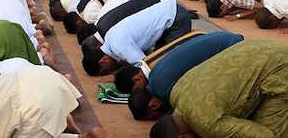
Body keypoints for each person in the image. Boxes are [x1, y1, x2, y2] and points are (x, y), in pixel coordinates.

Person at [149, 40, 288, 138]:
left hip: (280, 67)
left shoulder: (207, 126)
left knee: (274, 133)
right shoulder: (176, 94)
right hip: (258, 46)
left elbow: (265, 135)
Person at [122, 32, 244, 120]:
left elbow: (194, 107)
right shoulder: (153, 75)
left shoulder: (165, 92)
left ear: (154, 104)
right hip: (224, 37)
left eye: (155, 116)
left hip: (233, 48)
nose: (161, 116)